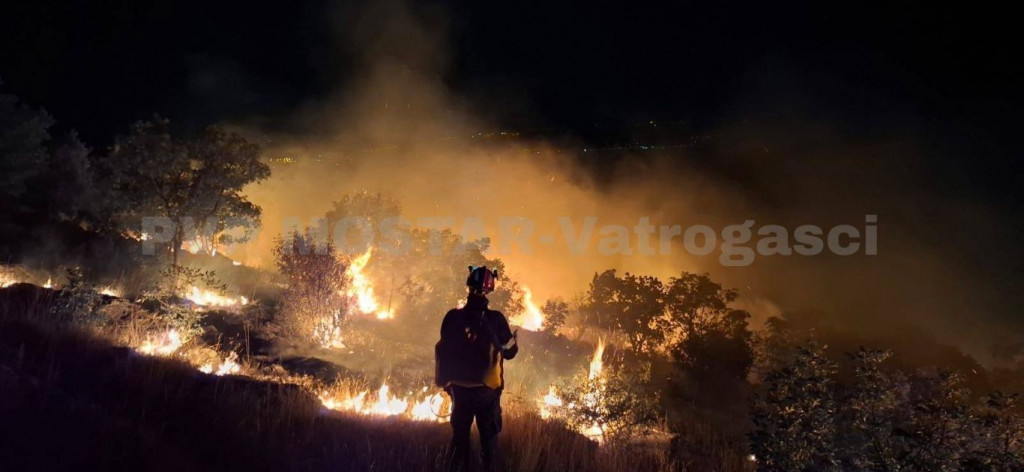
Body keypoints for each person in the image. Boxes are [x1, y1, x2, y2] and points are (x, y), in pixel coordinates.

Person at [436, 266, 519, 472]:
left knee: (459, 441)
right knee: (488, 443)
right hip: (487, 392)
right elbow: (508, 353)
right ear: (490, 289)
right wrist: (515, 342)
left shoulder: (452, 317)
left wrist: (445, 383)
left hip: (459, 390)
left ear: (468, 285)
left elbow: (444, 349)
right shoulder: (496, 320)